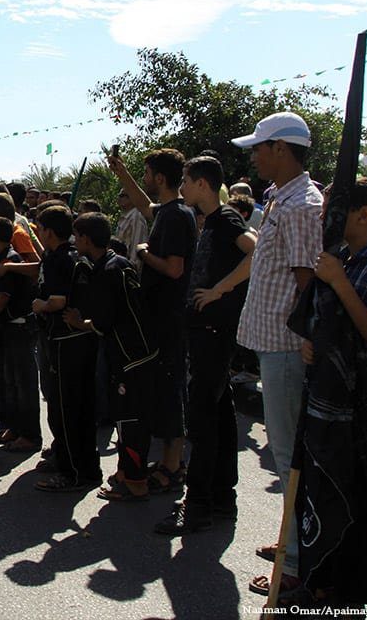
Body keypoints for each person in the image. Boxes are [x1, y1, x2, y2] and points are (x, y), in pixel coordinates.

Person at [229, 112, 323, 598]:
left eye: (259, 148)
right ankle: (294, 541)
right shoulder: (280, 199)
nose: (253, 156)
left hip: (288, 349)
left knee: (289, 457)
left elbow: (309, 283)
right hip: (274, 345)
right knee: (287, 454)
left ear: (281, 149)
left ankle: (297, 563)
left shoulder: (303, 205)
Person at [295, 179, 367, 607]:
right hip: (328, 406)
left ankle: (351, 600)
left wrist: (338, 282)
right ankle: (321, 586)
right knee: (326, 499)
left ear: (363, 215)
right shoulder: (340, 261)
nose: (325, 218)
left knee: (360, 511)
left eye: (335, 210)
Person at [156, 156, 255, 533]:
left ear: (202, 184)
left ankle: (197, 505)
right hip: (207, 332)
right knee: (219, 417)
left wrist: (219, 290)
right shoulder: (212, 221)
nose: (181, 185)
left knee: (202, 418)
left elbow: (255, 248)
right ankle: (219, 499)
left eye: (186, 179)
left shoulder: (227, 218)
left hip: (214, 332)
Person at [109, 147, 196, 494]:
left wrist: (145, 253)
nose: (145, 180)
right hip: (159, 318)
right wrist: (122, 173)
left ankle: (173, 466)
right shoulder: (169, 212)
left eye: (147, 174)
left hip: (170, 319)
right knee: (161, 390)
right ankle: (167, 461)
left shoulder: (178, 216)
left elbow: (175, 268)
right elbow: (147, 205)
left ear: (160, 177)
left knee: (172, 391)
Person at [67, 212, 157, 502]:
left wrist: (79, 322)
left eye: (78, 235)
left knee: (130, 421)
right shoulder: (111, 263)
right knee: (124, 417)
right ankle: (124, 472)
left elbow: (104, 322)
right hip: (130, 353)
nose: (75, 240)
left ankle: (135, 482)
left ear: (87, 238)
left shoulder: (109, 270)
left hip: (132, 355)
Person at [32, 205, 102, 492]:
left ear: (49, 231)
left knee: (67, 409)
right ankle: (74, 460)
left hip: (65, 341)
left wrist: (40, 305)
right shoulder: (74, 256)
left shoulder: (60, 259)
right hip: (79, 340)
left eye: (40, 227)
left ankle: (73, 471)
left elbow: (58, 301)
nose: (37, 231)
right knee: (77, 407)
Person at [0, 218, 40, 453]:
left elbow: (4, 296)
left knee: (23, 384)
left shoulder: (12, 260)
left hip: (19, 327)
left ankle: (29, 434)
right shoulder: (4, 259)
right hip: (9, 329)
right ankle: (15, 428)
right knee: (11, 381)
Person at [114, 189, 149, 271]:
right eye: (119, 195)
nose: (119, 198)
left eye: (123, 196)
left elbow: (137, 244)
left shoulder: (136, 216)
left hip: (128, 269)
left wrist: (131, 269)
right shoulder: (124, 218)